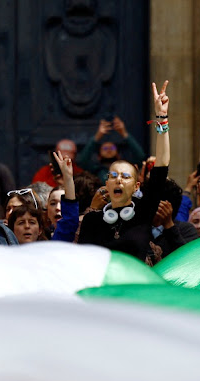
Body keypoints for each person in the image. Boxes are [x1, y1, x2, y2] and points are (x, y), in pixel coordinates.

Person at [77, 81, 171, 261]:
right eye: (113, 176)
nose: (118, 180)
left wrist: (162, 117)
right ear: (106, 184)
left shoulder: (144, 211)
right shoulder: (92, 221)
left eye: (125, 176)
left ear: (136, 186)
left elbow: (162, 166)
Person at [76, 116, 146, 182]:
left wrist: (124, 133)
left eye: (112, 148)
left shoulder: (126, 168)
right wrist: (97, 137)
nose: (109, 150)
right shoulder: (95, 170)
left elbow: (140, 157)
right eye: (105, 148)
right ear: (99, 156)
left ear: (118, 154)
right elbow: (83, 160)